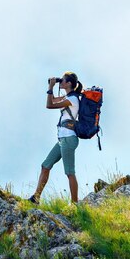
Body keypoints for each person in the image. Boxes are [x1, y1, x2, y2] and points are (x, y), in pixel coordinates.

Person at [28, 71, 83, 204]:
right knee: (45, 166)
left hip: (69, 138)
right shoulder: (67, 97)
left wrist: (50, 88)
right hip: (62, 139)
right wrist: (51, 88)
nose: (61, 82)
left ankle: (75, 204)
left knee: (69, 172)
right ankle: (36, 198)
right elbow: (52, 100)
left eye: (63, 80)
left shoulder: (73, 99)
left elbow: (49, 105)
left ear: (69, 83)